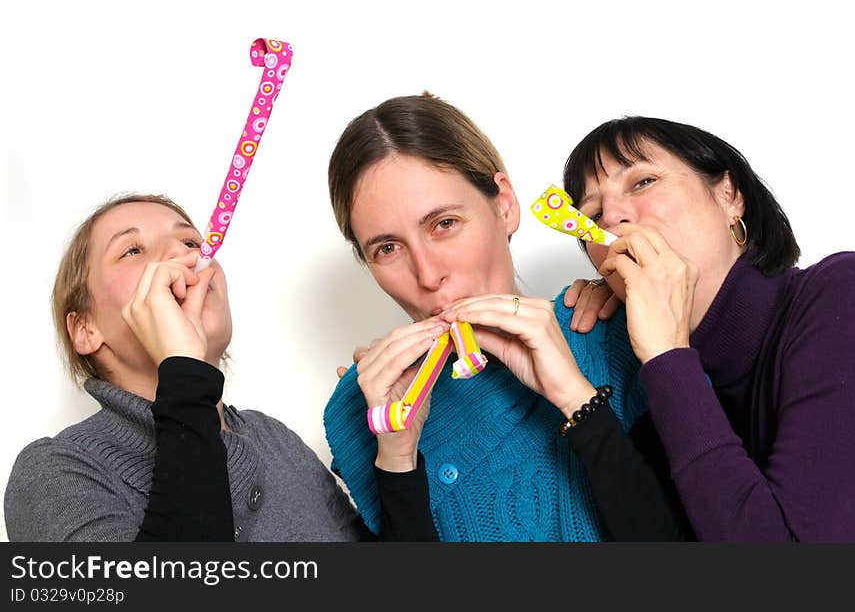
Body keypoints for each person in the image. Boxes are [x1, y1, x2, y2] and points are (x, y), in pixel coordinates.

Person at [324, 94, 692, 541]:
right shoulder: (359, 413)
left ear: (504, 204)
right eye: (387, 248)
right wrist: (397, 463)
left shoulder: (622, 334)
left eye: (444, 224)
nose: (428, 274)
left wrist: (581, 402)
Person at [4, 194, 421, 541]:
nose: (185, 259)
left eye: (190, 243)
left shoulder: (275, 440)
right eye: (132, 250)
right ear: (85, 329)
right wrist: (182, 369)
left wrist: (397, 456)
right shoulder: (55, 474)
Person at [558, 116, 855, 541]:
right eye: (593, 213)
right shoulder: (645, 387)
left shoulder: (849, 292)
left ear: (730, 196)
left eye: (643, 182)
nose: (612, 218)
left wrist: (667, 353)